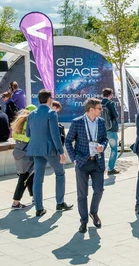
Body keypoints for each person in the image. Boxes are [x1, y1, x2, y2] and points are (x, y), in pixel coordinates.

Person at [26, 89, 72, 217]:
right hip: (49, 149)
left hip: (35, 149)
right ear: (49, 99)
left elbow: (28, 134)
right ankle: (60, 203)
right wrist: (61, 152)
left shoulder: (31, 114)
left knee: (38, 178)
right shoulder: (51, 113)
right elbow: (55, 135)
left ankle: (39, 208)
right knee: (60, 173)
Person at [65, 98, 108, 233]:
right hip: (82, 162)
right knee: (82, 194)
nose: (101, 110)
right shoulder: (77, 122)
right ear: (91, 110)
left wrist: (103, 145)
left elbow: (105, 138)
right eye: (99, 108)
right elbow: (68, 141)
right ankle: (83, 220)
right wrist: (74, 159)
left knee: (99, 190)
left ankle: (93, 212)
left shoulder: (101, 122)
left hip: (97, 161)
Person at [10, 106, 37, 209]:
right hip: (27, 153)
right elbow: (31, 137)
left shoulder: (19, 123)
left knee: (30, 175)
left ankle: (34, 196)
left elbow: (14, 136)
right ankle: (16, 202)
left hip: (18, 151)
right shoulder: (30, 123)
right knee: (24, 177)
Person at [101, 88, 120, 176]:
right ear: (110, 95)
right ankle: (110, 168)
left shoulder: (99, 103)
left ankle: (99, 168)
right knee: (114, 150)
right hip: (111, 129)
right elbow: (116, 115)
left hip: (101, 130)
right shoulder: (110, 103)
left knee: (100, 149)